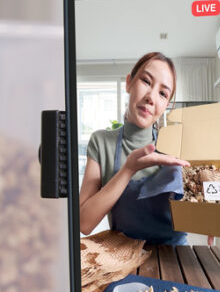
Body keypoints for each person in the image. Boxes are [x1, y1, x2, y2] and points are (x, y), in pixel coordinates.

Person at [79, 51, 190, 245]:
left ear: (167, 106)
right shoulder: (101, 142)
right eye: (146, 81)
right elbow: (84, 222)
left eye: (163, 93)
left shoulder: (177, 145)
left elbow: (205, 204)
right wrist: (128, 169)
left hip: (176, 259)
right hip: (123, 259)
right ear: (129, 82)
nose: (151, 98)